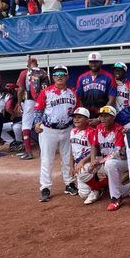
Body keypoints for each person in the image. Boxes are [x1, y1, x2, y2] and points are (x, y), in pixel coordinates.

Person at [35, 65, 79, 202]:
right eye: (56, 74)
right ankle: (45, 187)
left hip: (67, 129)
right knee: (47, 159)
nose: (59, 76)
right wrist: (37, 123)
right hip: (49, 130)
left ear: (67, 76)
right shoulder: (46, 92)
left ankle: (69, 183)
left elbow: (77, 110)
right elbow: (38, 109)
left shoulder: (73, 92)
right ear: (52, 77)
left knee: (67, 158)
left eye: (62, 74)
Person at [87, 105, 130, 211]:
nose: (102, 118)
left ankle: (115, 198)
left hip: (123, 161)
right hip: (105, 161)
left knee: (110, 164)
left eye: (106, 116)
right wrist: (93, 160)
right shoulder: (98, 128)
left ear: (113, 117)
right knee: (86, 168)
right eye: (101, 116)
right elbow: (93, 145)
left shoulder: (119, 130)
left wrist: (100, 161)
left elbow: (117, 152)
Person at [69, 107, 108, 205]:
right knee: (83, 195)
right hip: (78, 162)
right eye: (75, 117)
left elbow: (95, 149)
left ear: (87, 120)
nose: (76, 119)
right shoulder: (72, 131)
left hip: (93, 160)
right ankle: (103, 185)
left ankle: (96, 188)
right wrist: (71, 166)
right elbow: (72, 151)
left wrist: (83, 161)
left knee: (82, 171)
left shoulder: (91, 131)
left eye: (79, 117)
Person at [16, 57, 49, 160]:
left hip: (30, 101)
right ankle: (44, 151)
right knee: (42, 125)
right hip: (43, 101)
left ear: (28, 65)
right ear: (37, 64)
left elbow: (21, 89)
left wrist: (19, 103)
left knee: (26, 125)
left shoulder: (25, 73)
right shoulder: (44, 72)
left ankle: (28, 152)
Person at [75, 52, 117, 119]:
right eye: (91, 62)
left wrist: (100, 118)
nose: (93, 64)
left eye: (96, 62)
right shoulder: (82, 77)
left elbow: (112, 100)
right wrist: (84, 115)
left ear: (101, 62)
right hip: (87, 116)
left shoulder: (109, 77)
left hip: (103, 117)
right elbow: (79, 99)